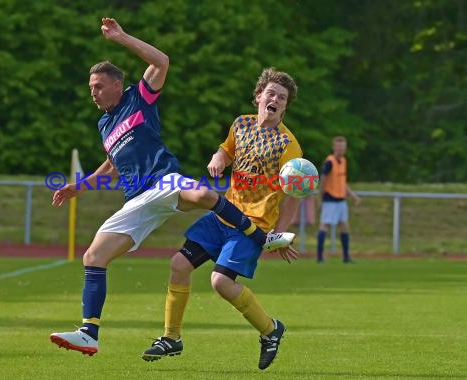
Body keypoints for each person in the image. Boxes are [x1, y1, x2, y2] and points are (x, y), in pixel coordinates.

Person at [49, 18, 283, 356]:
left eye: (99, 86)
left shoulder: (137, 99)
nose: (93, 92)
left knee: (203, 194)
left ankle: (260, 236)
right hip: (137, 200)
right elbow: (114, 164)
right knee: (94, 256)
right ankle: (89, 333)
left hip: (164, 180)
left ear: (117, 84)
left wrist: (121, 37)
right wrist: (80, 186)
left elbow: (162, 61)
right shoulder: (104, 124)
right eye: (91, 87)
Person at [141, 68, 302, 370]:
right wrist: (219, 157)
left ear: (285, 106)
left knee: (220, 283)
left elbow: (295, 195)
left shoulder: (288, 146)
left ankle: (270, 330)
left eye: (282, 98)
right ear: (258, 97)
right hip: (223, 214)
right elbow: (227, 150)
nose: (275, 99)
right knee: (178, 265)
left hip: (252, 227)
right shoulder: (241, 124)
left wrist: (278, 235)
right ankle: (171, 338)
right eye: (271, 93)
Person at [316, 136, 361, 263]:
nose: (341, 149)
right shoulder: (329, 162)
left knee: (345, 226)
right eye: (339, 146)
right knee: (324, 225)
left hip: (341, 199)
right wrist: (320, 197)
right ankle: (320, 256)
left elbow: (343, 182)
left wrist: (352, 195)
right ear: (334, 147)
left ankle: (346, 256)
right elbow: (323, 180)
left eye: (343, 146)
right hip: (330, 198)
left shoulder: (343, 161)